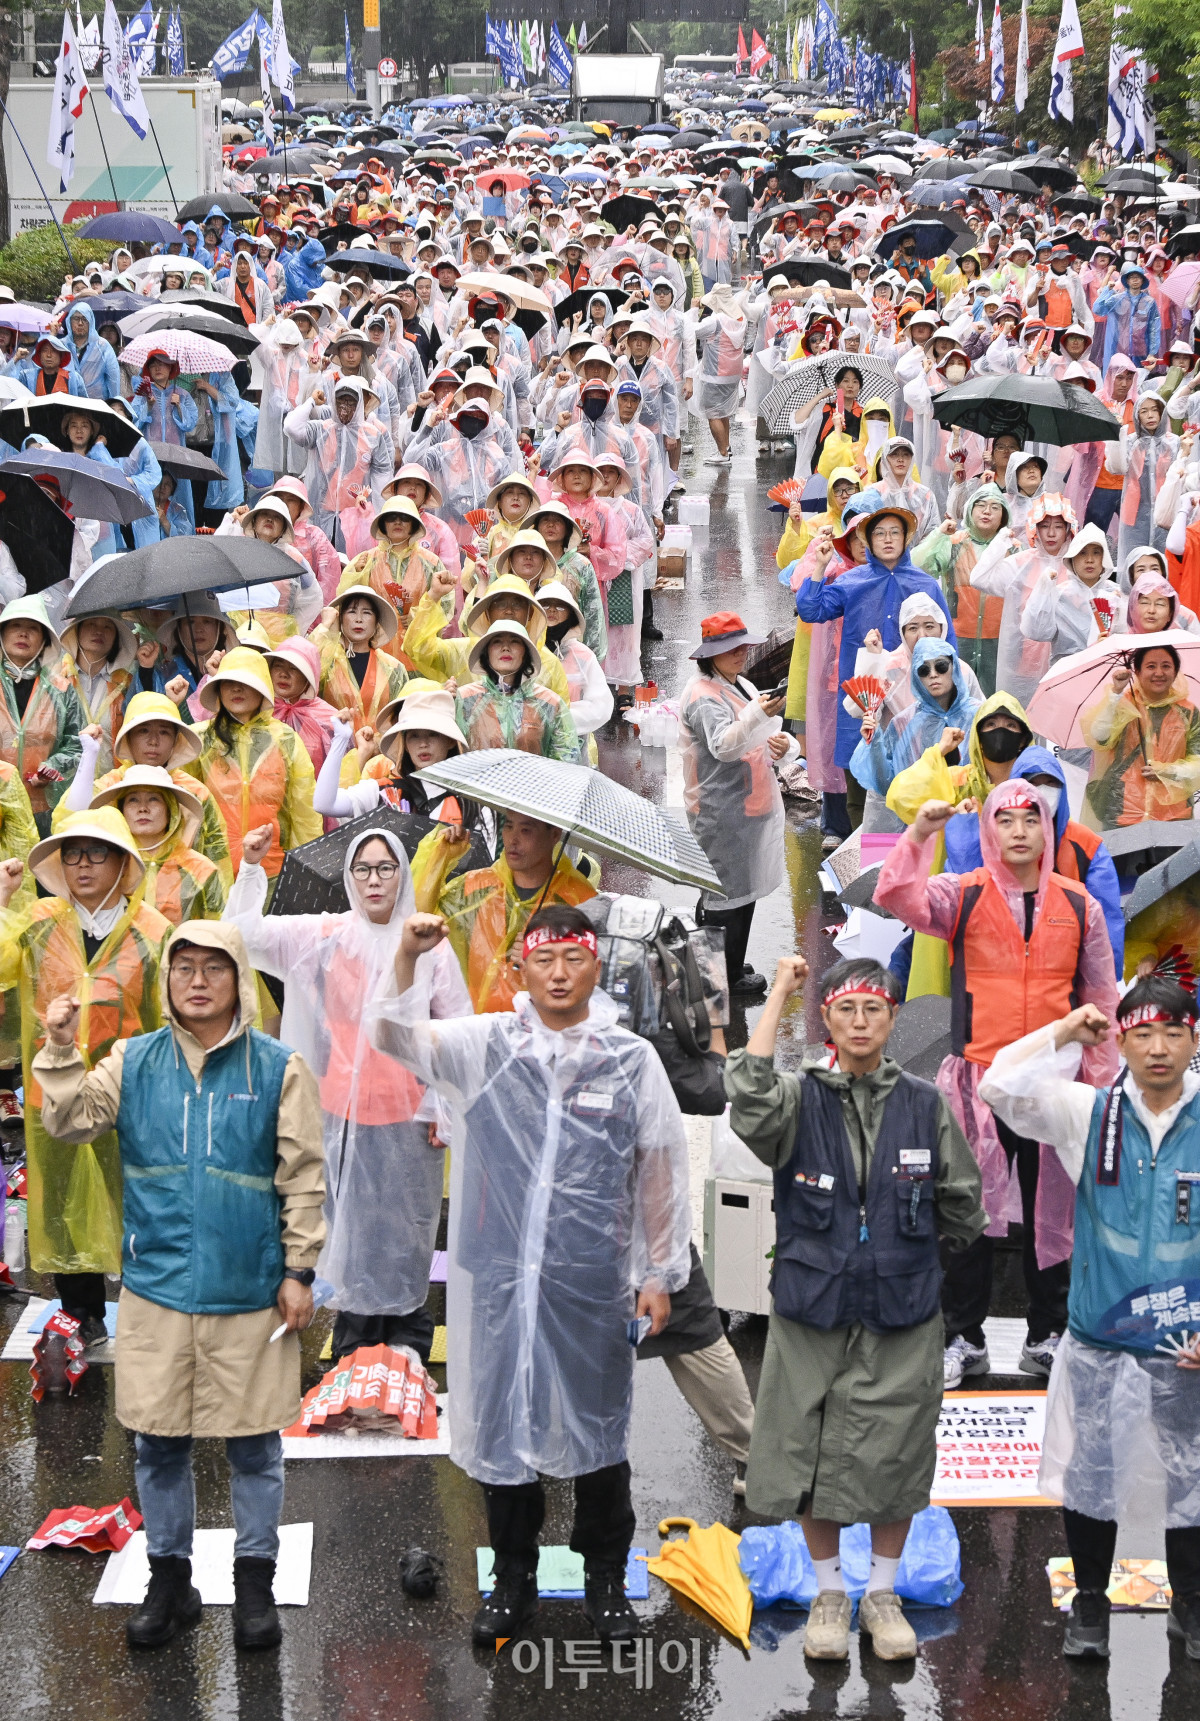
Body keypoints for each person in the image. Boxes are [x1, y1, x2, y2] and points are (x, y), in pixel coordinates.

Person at [371, 902, 692, 1647]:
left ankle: (605, 1579)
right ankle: (510, 1576)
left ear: (594, 966)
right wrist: (407, 961)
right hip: (500, 1279)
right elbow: (390, 1034)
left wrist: (658, 1271)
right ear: (521, 964)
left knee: (598, 1429)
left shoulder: (628, 1059)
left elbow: (660, 1167)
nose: (557, 973)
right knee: (503, 1430)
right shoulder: (486, 1044)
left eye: (572, 959)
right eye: (543, 959)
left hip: (591, 1276)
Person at [33, 922, 324, 1652]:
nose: (197, 980)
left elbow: (304, 1177)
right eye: (183, 967)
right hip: (157, 1288)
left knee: (255, 1446)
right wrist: (62, 1048)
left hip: (249, 1292)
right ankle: (171, 1579)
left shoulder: (278, 1068)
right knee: (157, 1444)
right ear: (166, 980)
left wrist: (299, 1270)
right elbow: (69, 1121)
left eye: (214, 968)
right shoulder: (133, 1061)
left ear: (239, 979)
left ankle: (255, 1581)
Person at [725, 954, 986, 1663]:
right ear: (829, 1021)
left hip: (902, 1305)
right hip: (813, 1305)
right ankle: (830, 1592)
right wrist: (780, 990)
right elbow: (745, 1094)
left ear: (892, 1019)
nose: (861, 1021)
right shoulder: (798, 1098)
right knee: (813, 1453)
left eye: (874, 1009)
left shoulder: (924, 1102)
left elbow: (964, 1199)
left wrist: (919, 1257)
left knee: (897, 1451)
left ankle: (883, 1592)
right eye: (846, 1009)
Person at [979, 978, 1200, 1661]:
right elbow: (999, 1087)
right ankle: (1091, 1603)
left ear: (1194, 1038)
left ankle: (1190, 1605)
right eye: (1142, 1033)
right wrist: (1062, 1031)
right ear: (1124, 1040)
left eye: (1174, 1032)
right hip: (1102, 1336)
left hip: (1186, 1343)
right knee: (1090, 1476)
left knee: (1191, 1478)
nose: (1158, 1048)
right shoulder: (1089, 1111)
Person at [875, 783, 1120, 1387]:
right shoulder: (963, 895)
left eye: (1029, 820)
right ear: (988, 828)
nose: (1017, 831)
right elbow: (896, 894)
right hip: (976, 1083)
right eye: (1003, 820)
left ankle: (1048, 1335)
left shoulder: (1081, 906)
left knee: (1054, 1211)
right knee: (967, 1215)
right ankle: (963, 1337)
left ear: (1048, 830)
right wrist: (920, 833)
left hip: (1054, 1083)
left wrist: (1101, 1085)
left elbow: (1101, 998)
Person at [227, 821, 470, 1364]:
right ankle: (354, 1347)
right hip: (339, 1114)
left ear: (402, 873)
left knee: (404, 1232)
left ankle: (406, 1346)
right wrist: (249, 868)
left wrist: (443, 1108)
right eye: (363, 869)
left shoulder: (427, 942)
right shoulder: (326, 935)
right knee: (349, 1232)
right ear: (349, 876)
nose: (374, 880)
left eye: (386, 868)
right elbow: (243, 936)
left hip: (408, 1117)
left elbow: (457, 1030)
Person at [0, 807, 171, 1344]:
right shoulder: (38, 921)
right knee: (66, 1200)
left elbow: (170, 1009)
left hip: (130, 1087)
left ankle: (150, 1305)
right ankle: (84, 1311)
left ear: (122, 863)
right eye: (71, 853)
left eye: (97, 852)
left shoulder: (152, 931)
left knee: (138, 1193)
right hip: (57, 1085)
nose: (82, 865)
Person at [678, 613, 795, 999]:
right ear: (710, 655)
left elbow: (762, 734)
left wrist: (782, 746)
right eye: (730, 648)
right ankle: (721, 976)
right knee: (725, 895)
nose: (740, 654)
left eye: (743, 646)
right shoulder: (701, 696)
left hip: (747, 803)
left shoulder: (740, 683)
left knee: (739, 891)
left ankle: (730, 960)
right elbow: (724, 746)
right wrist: (760, 714)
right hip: (720, 809)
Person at [414, 812, 595, 1014]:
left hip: (540, 1034)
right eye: (508, 826)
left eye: (525, 830)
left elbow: (593, 983)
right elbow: (419, 921)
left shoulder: (581, 902)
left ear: (554, 835)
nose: (512, 839)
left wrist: (544, 961)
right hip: (473, 1031)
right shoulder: (476, 887)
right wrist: (440, 857)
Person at [184, 648, 321, 880]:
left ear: (262, 690)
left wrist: (307, 868)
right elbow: (182, 807)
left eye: (246, 682)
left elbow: (304, 812)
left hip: (272, 871)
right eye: (228, 683)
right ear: (218, 690)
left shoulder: (285, 740)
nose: (236, 689)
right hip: (213, 873)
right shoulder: (197, 740)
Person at [1082, 641, 1200, 827]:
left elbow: (1198, 762)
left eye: (1166, 666)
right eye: (1151, 666)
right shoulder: (1122, 704)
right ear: (1137, 671)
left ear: (1176, 671)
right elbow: (1100, 737)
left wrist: (1167, 772)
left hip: (1173, 817)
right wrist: (1115, 693)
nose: (1159, 673)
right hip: (1121, 813)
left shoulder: (1189, 712)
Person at [90, 766, 225, 926]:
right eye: (133, 799)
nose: (143, 808)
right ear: (121, 811)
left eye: (153, 799)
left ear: (171, 811)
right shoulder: (107, 865)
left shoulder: (200, 869)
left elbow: (218, 928)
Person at [0, 594, 83, 836]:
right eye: (16, 625)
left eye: (33, 628)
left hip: (43, 810)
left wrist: (52, 768)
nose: (23, 634)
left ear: (44, 641)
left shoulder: (62, 690)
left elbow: (77, 745)